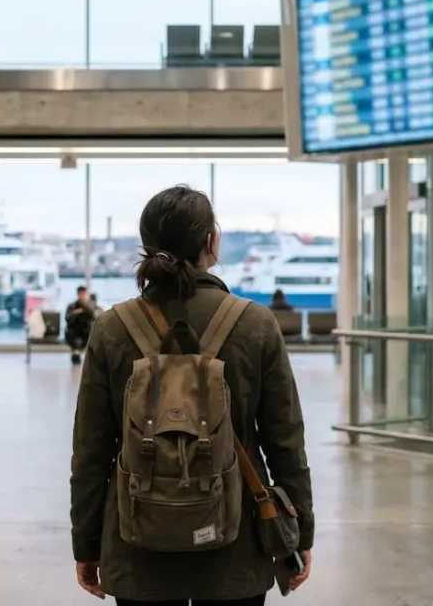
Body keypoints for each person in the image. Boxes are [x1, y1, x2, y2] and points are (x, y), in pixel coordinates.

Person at [70, 185, 314, 604]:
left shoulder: (112, 328)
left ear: (147, 247)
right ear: (211, 243)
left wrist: (87, 544)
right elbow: (285, 441)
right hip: (235, 547)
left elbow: (92, 450)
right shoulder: (255, 324)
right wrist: (300, 529)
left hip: (136, 545)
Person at [65, 286, 97, 365]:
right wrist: (75, 313)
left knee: (90, 332)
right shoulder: (72, 306)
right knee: (70, 333)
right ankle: (76, 351)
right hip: (74, 329)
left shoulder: (91, 305)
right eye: (80, 294)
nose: (82, 296)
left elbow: (94, 315)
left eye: (84, 294)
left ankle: (78, 351)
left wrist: (85, 305)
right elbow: (67, 318)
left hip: (86, 330)